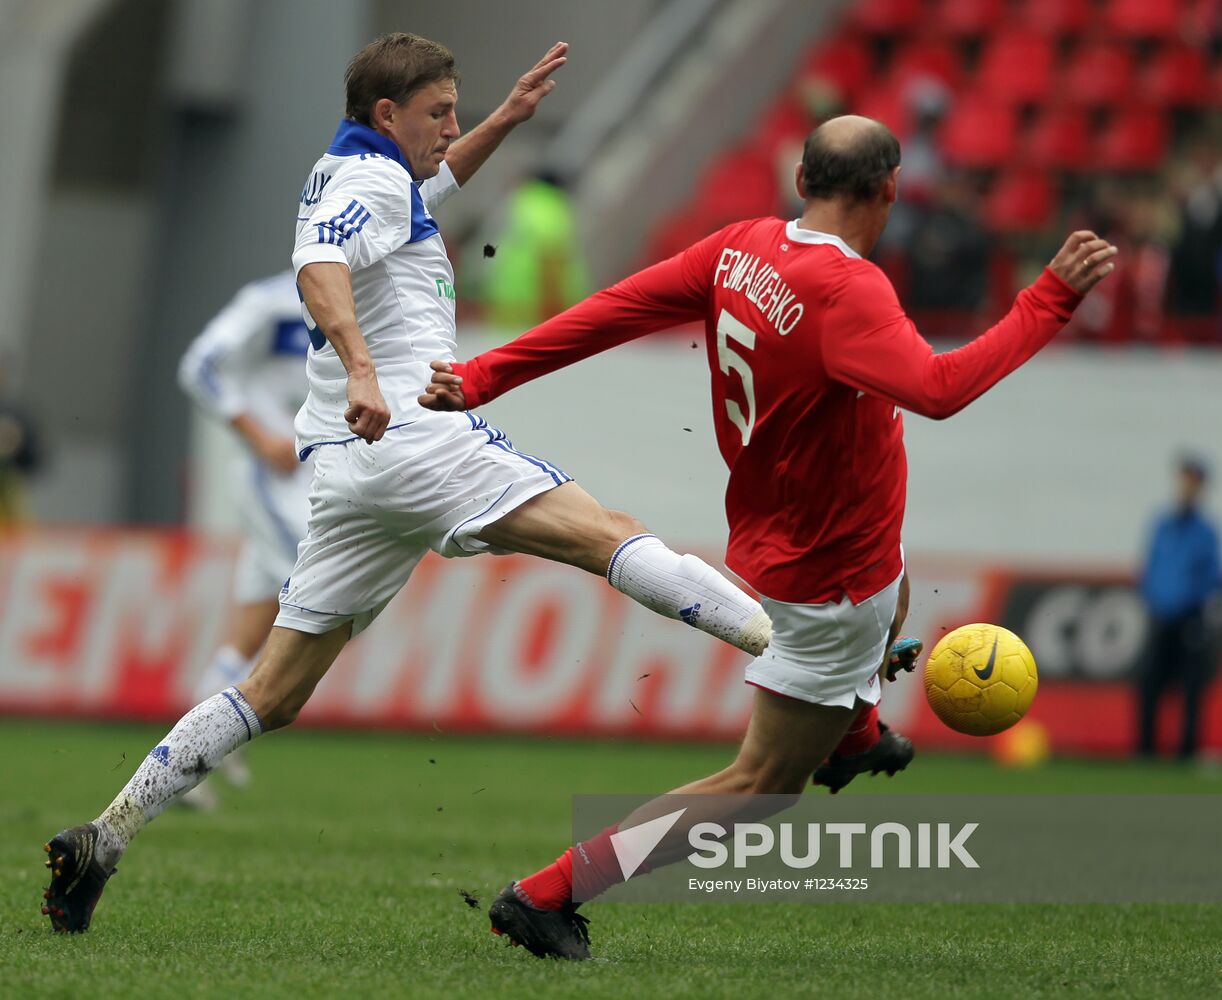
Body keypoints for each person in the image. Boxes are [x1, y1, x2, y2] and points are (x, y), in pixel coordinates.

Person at [40, 33, 773, 934]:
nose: (450, 126)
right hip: (409, 435)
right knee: (604, 531)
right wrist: (359, 368)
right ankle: (785, 653)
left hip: (348, 471)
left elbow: (419, 193)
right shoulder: (369, 182)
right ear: (388, 115)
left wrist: (503, 120)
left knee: (271, 693)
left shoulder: (364, 170)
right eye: (440, 112)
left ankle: (106, 837)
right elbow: (321, 270)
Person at [418, 114, 1119, 959]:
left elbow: (614, 309)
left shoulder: (741, 248)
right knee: (759, 785)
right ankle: (549, 890)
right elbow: (938, 389)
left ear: (801, 181)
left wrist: (487, 372)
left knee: (896, 583)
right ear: (890, 189)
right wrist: (1049, 300)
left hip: (799, 538)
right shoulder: (848, 293)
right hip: (826, 575)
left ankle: (853, 734)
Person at [176, 272, 313, 806]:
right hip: (275, 477)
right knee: (327, 589)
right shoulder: (272, 302)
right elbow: (199, 365)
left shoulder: (366, 296)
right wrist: (257, 435)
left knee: (250, 634)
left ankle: (194, 754)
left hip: (317, 478)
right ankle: (224, 732)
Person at [1136, 456, 1221, 759]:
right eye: (1183, 480)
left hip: (1190, 620)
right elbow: (1151, 568)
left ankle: (1186, 753)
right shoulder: (1162, 524)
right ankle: (1144, 752)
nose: (1186, 487)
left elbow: (1213, 577)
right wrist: (1153, 598)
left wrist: (1189, 603)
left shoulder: (1205, 532)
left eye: (1192, 482)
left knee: (1191, 690)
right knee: (1149, 685)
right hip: (1159, 616)